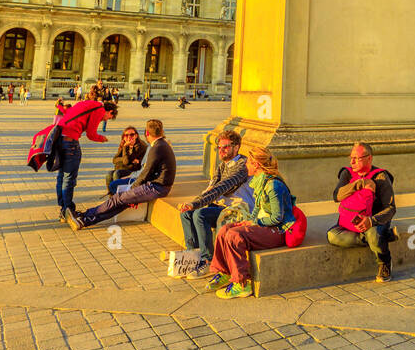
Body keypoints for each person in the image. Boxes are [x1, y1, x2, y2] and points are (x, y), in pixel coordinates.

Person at [203, 145, 297, 299]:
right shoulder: (260, 181)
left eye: (248, 162)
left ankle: (242, 284)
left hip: (278, 230)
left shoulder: (273, 185)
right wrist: (249, 221)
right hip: (265, 225)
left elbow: (277, 218)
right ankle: (226, 272)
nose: (245, 165)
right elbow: (257, 208)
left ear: (256, 165)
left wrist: (256, 222)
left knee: (234, 236)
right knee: (225, 229)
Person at [70, 118, 175, 229]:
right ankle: (85, 221)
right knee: (122, 202)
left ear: (147, 133)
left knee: (117, 198)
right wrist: (135, 195)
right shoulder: (162, 144)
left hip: (156, 187)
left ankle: (85, 215)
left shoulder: (157, 147)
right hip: (157, 186)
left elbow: (146, 173)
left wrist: (133, 190)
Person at [175, 130, 253, 270]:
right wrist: (191, 204)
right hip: (222, 206)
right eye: (219, 147)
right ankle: (192, 256)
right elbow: (210, 189)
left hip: (237, 209)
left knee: (200, 215)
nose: (221, 150)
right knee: (186, 213)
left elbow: (222, 188)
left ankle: (207, 261)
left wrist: (195, 204)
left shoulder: (242, 166)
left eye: (226, 147)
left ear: (236, 147)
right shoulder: (222, 166)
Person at [326, 142, 397, 283]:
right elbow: (337, 196)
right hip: (350, 220)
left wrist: (371, 221)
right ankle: (383, 238)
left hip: (374, 220)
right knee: (332, 236)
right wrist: (360, 183)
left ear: (369, 158)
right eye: (351, 157)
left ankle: (384, 263)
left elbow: (390, 208)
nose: (352, 162)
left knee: (373, 233)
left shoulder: (381, 176)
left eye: (357, 158)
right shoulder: (347, 173)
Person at [51, 97, 118, 222]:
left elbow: (70, 113)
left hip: (60, 139)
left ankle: (63, 209)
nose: (105, 119)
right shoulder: (99, 109)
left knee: (62, 176)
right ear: (110, 111)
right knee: (69, 178)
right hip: (70, 142)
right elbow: (91, 134)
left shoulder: (88, 103)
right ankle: (68, 210)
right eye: (108, 117)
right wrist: (102, 138)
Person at [104, 126, 147, 192]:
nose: (129, 137)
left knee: (117, 173)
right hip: (124, 168)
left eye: (132, 135)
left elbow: (126, 162)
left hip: (135, 171)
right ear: (123, 137)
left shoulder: (139, 146)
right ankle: (112, 195)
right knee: (109, 174)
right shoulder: (123, 144)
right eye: (126, 135)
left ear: (136, 135)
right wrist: (124, 159)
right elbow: (114, 160)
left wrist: (125, 147)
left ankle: (119, 197)